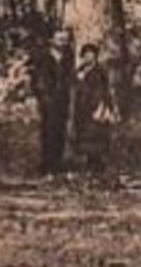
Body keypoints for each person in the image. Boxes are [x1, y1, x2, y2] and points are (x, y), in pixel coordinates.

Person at [28, 26, 74, 175]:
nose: (63, 43)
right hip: (48, 99)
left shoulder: (68, 57)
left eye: (66, 40)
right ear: (52, 41)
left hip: (62, 99)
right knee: (48, 131)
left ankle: (57, 164)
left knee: (60, 130)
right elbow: (36, 80)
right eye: (60, 40)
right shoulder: (43, 57)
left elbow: (69, 77)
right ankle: (46, 165)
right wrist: (43, 96)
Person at [70, 42, 118, 174]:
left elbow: (105, 90)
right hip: (82, 108)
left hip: (96, 106)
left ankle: (98, 166)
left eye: (91, 55)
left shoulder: (100, 72)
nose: (88, 58)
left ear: (95, 57)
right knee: (84, 135)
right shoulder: (79, 71)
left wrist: (104, 106)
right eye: (86, 55)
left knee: (96, 136)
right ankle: (89, 164)